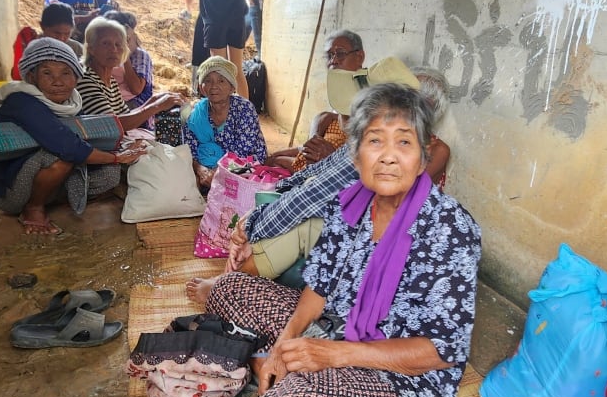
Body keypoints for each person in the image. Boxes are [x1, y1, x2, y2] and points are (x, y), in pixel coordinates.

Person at [201, 83, 481, 397]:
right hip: (334, 330)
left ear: (422, 159)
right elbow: (318, 286)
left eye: (403, 143)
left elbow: (440, 352)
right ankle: (279, 374)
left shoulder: (450, 229)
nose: (387, 157)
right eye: (374, 141)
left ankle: (287, 394)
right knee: (229, 289)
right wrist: (287, 343)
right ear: (355, 154)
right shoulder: (350, 205)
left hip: (399, 378)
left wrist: (336, 355)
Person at [187, 57, 453, 303]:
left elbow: (317, 196)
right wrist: (262, 209)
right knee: (283, 207)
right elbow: (315, 175)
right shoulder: (370, 141)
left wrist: (253, 224)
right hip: (354, 220)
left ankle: (229, 284)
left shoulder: (412, 150)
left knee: (297, 222)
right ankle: (233, 281)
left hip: (374, 237)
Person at [0, 38, 147, 236]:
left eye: (66, 73)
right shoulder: (22, 100)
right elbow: (67, 145)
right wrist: (117, 157)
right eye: (47, 73)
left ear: (76, 77)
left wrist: (117, 155)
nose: (58, 81)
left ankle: (52, 197)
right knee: (61, 157)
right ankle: (33, 208)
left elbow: (83, 138)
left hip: (49, 176)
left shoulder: (71, 102)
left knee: (109, 173)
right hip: (10, 188)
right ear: (31, 77)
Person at [264, 30, 366, 171]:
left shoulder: (369, 91)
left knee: (277, 162)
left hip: (340, 167)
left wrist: (334, 157)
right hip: (319, 158)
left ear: (360, 56)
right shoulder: (339, 92)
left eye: (340, 53)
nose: (333, 61)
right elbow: (321, 135)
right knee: (273, 159)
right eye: (329, 55)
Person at [77, 18, 183, 135]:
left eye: (118, 44)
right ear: (91, 49)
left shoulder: (109, 80)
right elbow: (111, 126)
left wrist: (153, 100)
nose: (113, 49)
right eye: (105, 43)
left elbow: (125, 115)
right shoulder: (86, 79)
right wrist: (156, 106)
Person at [182, 56, 266, 190]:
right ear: (202, 88)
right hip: (205, 166)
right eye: (207, 81)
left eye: (221, 81)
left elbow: (243, 152)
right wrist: (200, 169)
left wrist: (217, 172)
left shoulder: (244, 109)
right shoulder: (195, 115)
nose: (214, 86)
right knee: (184, 179)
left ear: (232, 87)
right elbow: (189, 149)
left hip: (242, 163)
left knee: (242, 182)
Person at [107, 11, 154, 108]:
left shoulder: (140, 55)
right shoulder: (102, 53)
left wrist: (125, 55)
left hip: (132, 103)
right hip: (109, 101)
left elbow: (136, 89)